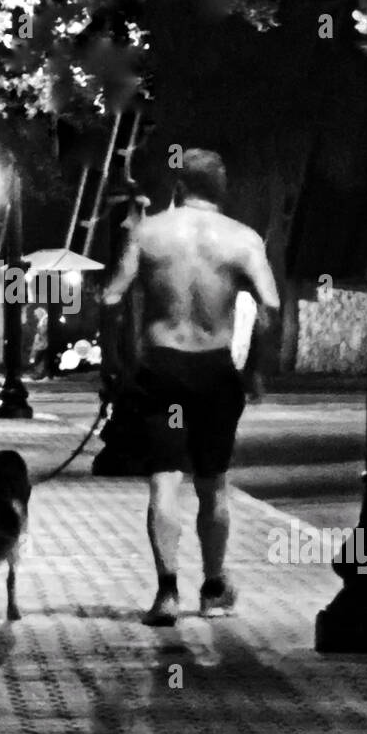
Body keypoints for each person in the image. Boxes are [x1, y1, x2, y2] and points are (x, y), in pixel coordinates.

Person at [102, 148, 279, 625]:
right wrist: (254, 368)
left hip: (160, 367)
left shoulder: (149, 232)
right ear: (222, 191)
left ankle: (166, 594)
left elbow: (112, 297)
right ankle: (214, 586)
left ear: (179, 188)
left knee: (164, 479)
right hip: (215, 371)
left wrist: (117, 362)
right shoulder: (242, 238)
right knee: (213, 484)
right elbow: (271, 306)